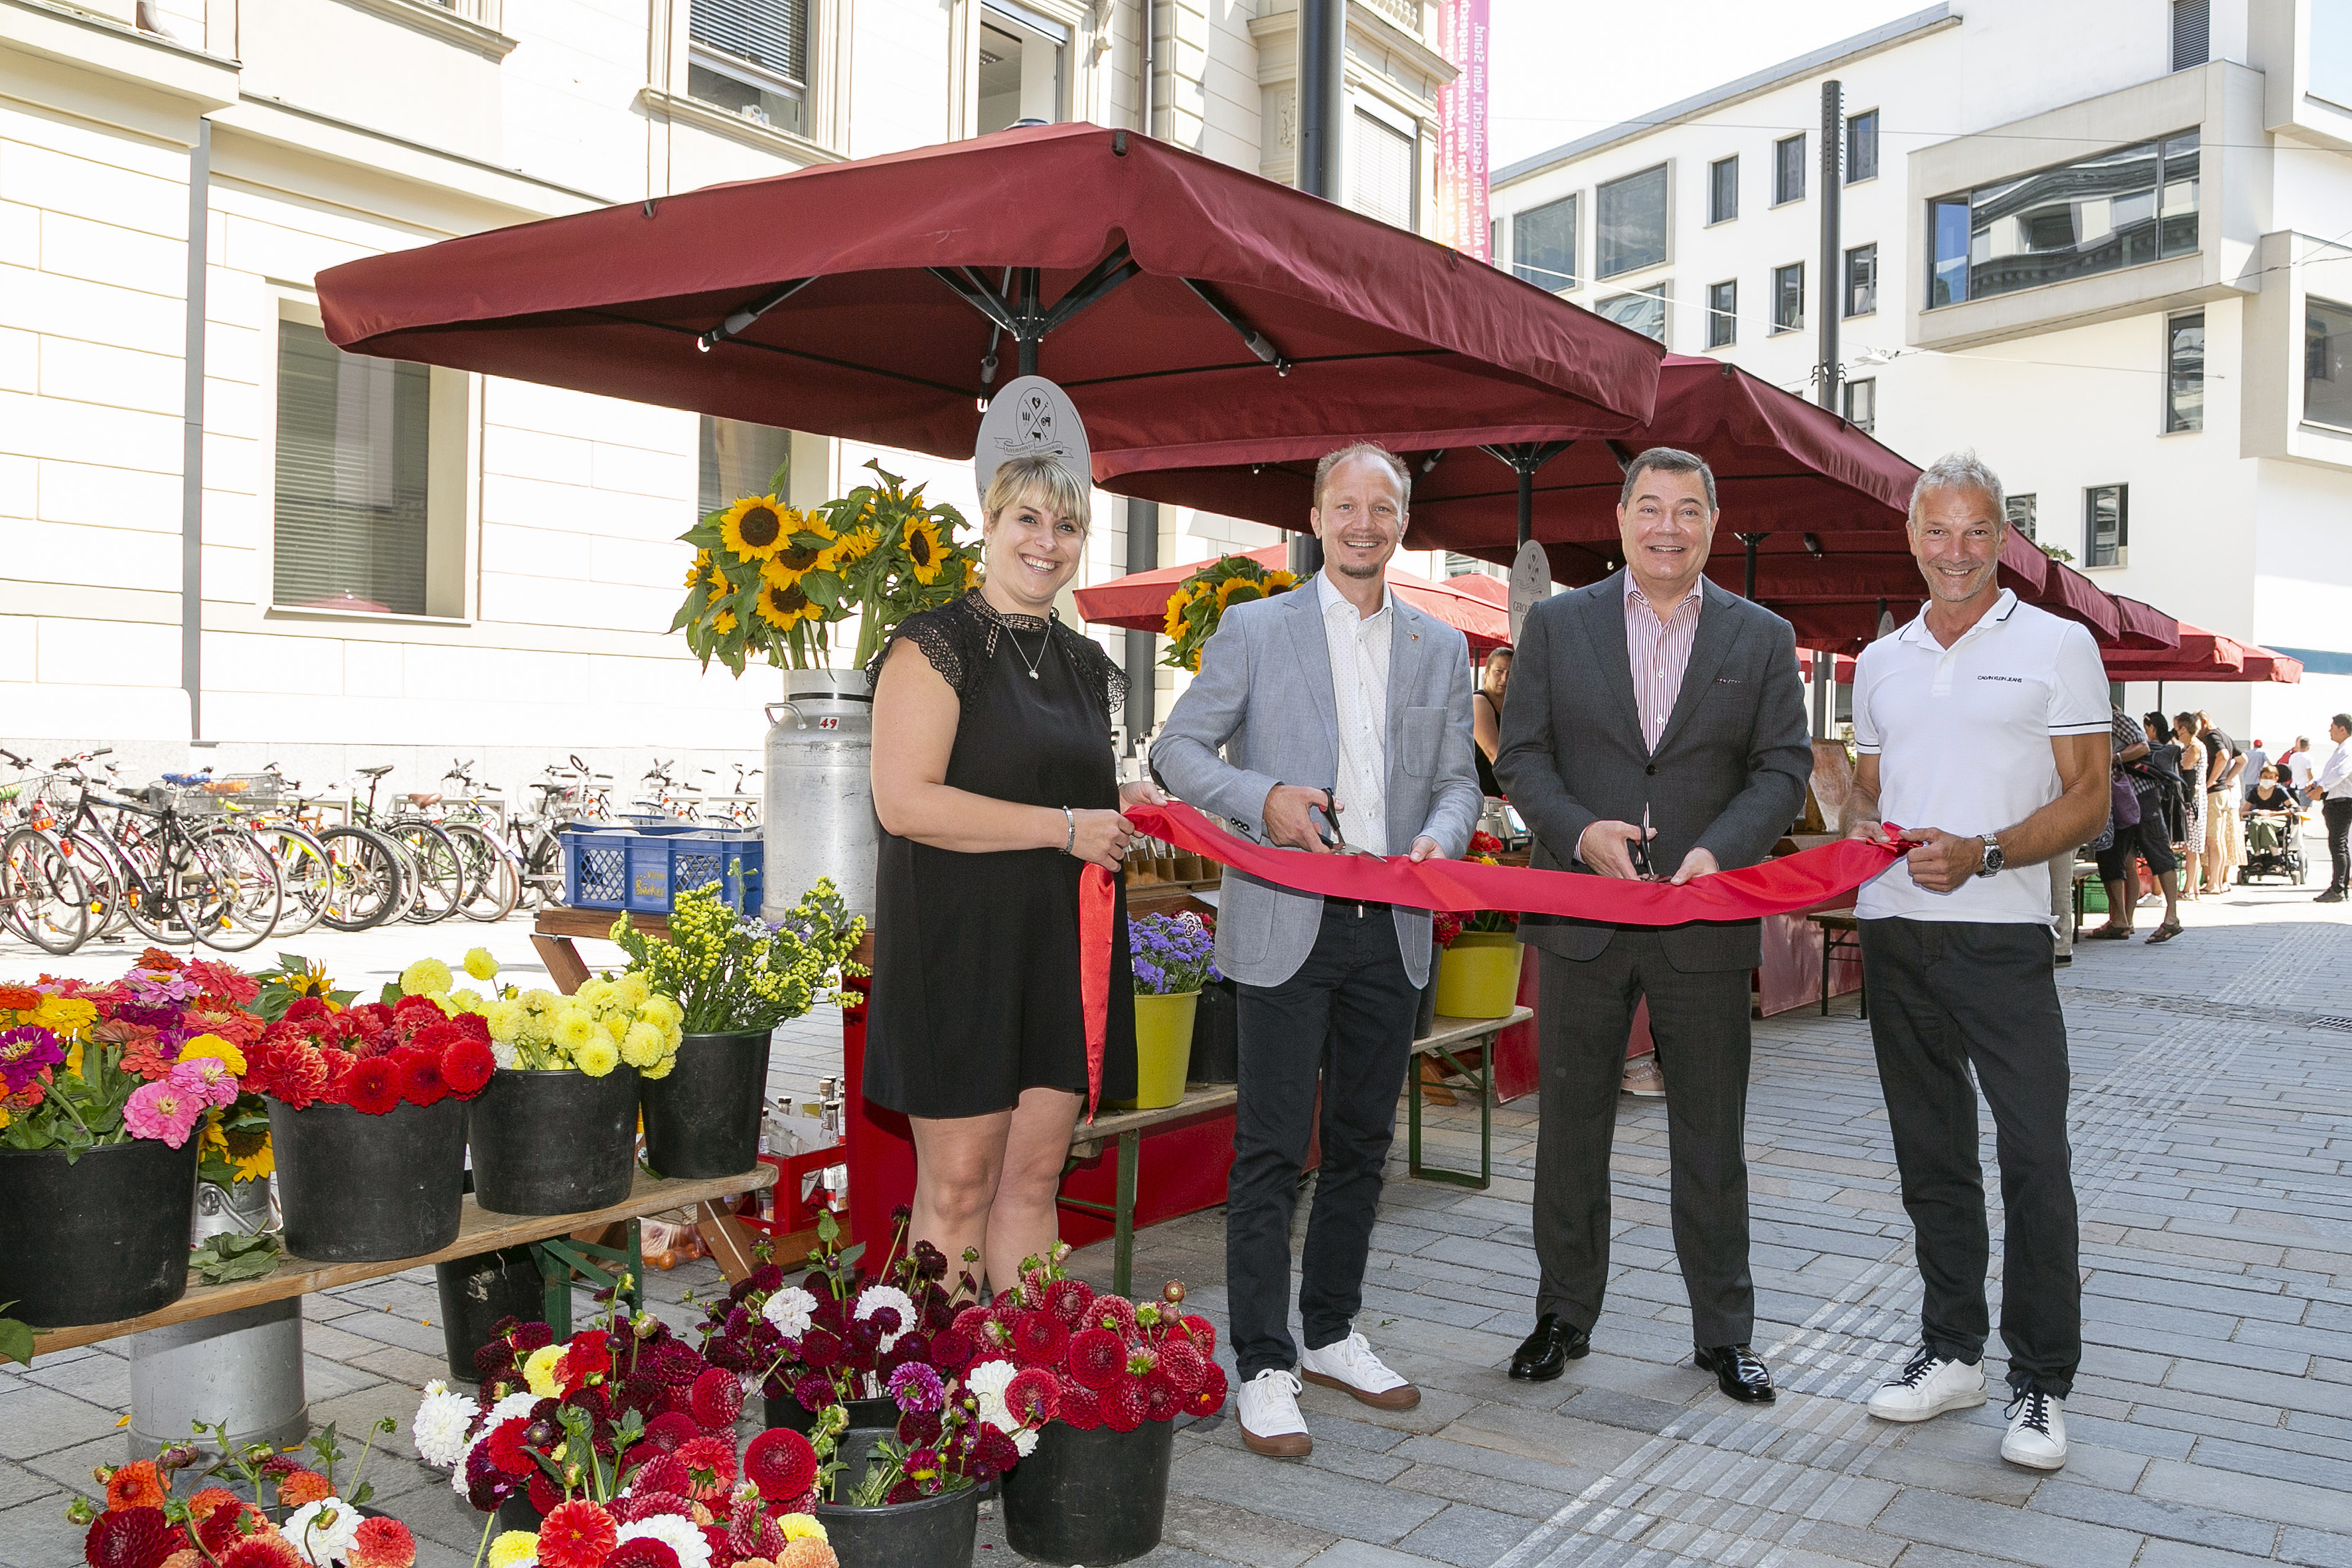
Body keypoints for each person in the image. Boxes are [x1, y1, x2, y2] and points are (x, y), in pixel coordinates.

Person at [1151, 441, 1480, 1458]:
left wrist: (1443, 835)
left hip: (1394, 923)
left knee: (1361, 1145)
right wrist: (1265, 801)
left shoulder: (1439, 644)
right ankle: (1262, 1359)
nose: (1364, 522)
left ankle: (1331, 1329)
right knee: (1267, 1149)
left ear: (1401, 522)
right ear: (1316, 514)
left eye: (1382, 507)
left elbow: (1459, 780)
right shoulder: (1254, 628)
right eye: (1347, 505)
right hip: (1285, 918)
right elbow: (1174, 750)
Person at [1494, 446, 1812, 1404]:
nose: (1666, 526)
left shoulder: (1759, 637)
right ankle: (1561, 1314)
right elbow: (1522, 756)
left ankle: (1724, 1333)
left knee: (1710, 1138)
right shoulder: (1556, 624)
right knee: (1568, 1132)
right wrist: (1576, 830)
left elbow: (1781, 767)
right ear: (1620, 516)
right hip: (1582, 916)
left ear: (1712, 523)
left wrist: (1719, 850)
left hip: (1700, 921)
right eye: (1649, 507)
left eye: (1686, 509)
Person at [1843, 451, 2108, 1472]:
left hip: (1999, 932)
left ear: (2001, 541)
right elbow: (1872, 793)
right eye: (1935, 531)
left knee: (2034, 1153)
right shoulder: (1882, 658)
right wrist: (1852, 825)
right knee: (1931, 1154)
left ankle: (2039, 1378)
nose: (1953, 552)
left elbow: (2085, 795)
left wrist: (1987, 851)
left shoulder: (2056, 643)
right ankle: (1950, 1350)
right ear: (1911, 537)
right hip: (1892, 929)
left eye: (1973, 533)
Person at [865, 453, 1152, 1293]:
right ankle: (942, 1405)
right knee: (957, 1190)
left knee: (1033, 1183)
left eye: (1067, 526)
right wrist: (1065, 829)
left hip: (1058, 954)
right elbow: (904, 803)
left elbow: (1062, 787)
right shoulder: (933, 644)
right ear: (988, 527)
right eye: (1027, 518)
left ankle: (1028, 1391)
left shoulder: (1092, 667)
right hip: (957, 951)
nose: (1047, 541)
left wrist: (1125, 801)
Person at [2086, 706, 2181, 943]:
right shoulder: (2089, 718)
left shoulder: (2113, 717)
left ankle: (2171, 917)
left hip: (2139, 793)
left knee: (2157, 852)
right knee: (2113, 855)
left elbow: (2142, 745)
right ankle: (2120, 921)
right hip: (2115, 797)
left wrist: (2112, 759)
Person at [2198, 712, 2244, 892]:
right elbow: (2242, 760)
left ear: (2203, 722)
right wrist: (2228, 778)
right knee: (2219, 840)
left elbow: (2224, 756)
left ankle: (2214, 883)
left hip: (2214, 794)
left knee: (2213, 839)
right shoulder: (2224, 735)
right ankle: (2219, 882)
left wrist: (2211, 780)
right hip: (2224, 793)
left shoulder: (2212, 736)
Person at [2308, 714, 2352, 902]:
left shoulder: (2348, 748)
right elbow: (2331, 773)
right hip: (2337, 800)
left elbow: (2341, 772)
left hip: (2342, 801)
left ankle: (2338, 889)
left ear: (2342, 729)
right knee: (2340, 846)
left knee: (2338, 845)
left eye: (2333, 727)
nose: (2330, 730)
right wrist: (2317, 784)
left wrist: (2321, 788)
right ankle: (2340, 888)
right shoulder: (2342, 748)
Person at [2172, 712, 2208, 899]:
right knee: (2192, 847)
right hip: (2195, 799)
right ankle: (2193, 888)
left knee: (2191, 847)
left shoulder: (2194, 748)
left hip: (2192, 800)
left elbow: (2183, 768)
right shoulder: (2192, 746)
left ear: (2183, 729)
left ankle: (2189, 889)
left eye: (2176, 727)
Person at [1472, 649, 1512, 799]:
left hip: (1499, 795)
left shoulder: (1512, 708)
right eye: (1499, 671)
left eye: (1510, 673)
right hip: (1482, 798)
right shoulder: (1479, 701)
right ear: (1487, 673)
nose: (1504, 679)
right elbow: (1494, 754)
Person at [2242, 765, 2299, 862]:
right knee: (2254, 824)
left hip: (2277, 817)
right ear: (2259, 778)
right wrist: (2255, 812)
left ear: (2276, 779)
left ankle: (2276, 856)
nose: (2268, 780)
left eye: (2271, 778)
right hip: (2260, 817)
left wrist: (2272, 813)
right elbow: (2243, 812)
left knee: (2266, 824)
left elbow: (2294, 808)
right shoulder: (2255, 792)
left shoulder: (2280, 791)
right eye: (2265, 777)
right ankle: (2257, 855)